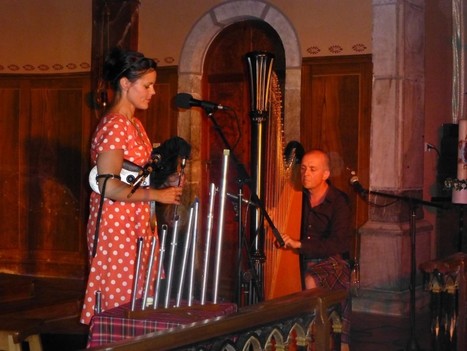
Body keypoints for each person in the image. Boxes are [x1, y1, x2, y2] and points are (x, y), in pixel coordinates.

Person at [80, 47, 183, 325]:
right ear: (126, 84)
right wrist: (156, 194)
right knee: (119, 302)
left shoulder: (134, 124)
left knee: (137, 302)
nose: (153, 92)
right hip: (116, 224)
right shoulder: (114, 125)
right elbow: (108, 186)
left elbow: (134, 174)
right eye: (147, 85)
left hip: (136, 219)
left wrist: (166, 182)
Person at [281, 149, 352, 351]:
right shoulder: (296, 199)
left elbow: (338, 244)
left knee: (311, 278)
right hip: (301, 259)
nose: (305, 174)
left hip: (332, 260)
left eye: (312, 169)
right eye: (303, 168)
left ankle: (315, 340)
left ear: (326, 174)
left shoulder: (339, 201)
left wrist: (301, 245)